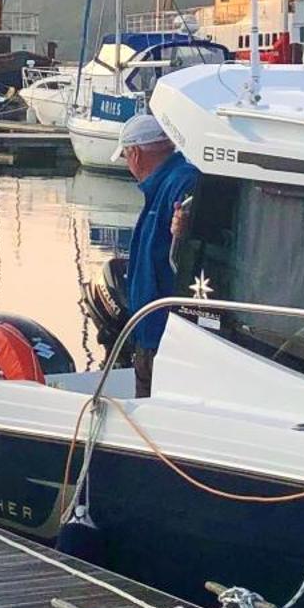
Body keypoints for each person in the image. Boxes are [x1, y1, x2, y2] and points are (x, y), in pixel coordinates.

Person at [115, 110, 197, 398]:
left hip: (164, 335)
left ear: (135, 153)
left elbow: (193, 234)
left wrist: (186, 227)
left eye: (126, 157)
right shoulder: (164, 185)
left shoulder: (180, 182)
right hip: (151, 333)